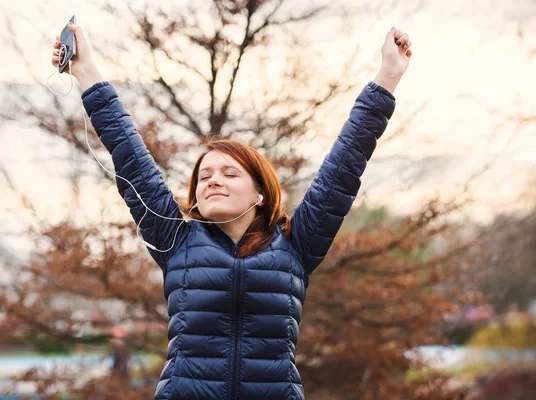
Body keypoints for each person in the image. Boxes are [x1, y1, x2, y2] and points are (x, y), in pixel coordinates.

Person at [50, 22, 412, 400]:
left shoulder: (296, 244)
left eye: (228, 173)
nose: (212, 181)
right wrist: (86, 71)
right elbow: (128, 152)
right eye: (204, 176)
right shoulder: (174, 238)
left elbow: (345, 163)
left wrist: (387, 76)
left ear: (259, 192)